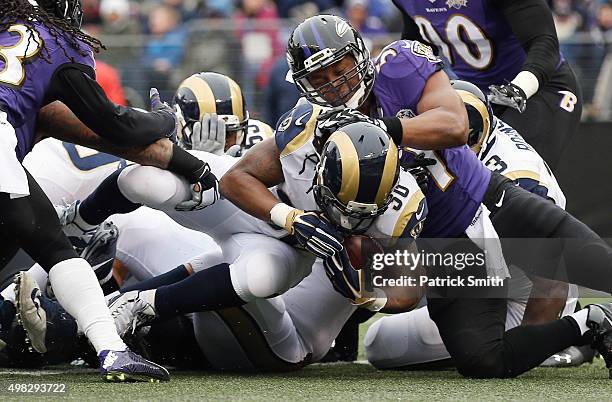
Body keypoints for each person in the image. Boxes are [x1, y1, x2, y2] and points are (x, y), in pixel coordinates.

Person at [222, 15, 612, 378]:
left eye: (340, 70)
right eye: (321, 78)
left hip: (487, 202)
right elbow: (237, 178)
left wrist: (380, 127)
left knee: (597, 264)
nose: (336, 84)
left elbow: (456, 124)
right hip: (449, 248)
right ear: (304, 84)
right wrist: (289, 218)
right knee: (483, 361)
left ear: (359, 55)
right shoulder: (307, 131)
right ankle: (592, 322)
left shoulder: (398, 65)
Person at [0, 0, 191, 381]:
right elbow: (116, 125)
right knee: (57, 250)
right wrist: (166, 118)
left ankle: (113, 350)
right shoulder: (58, 41)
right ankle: (112, 351)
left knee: (54, 248)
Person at [364, 81, 593, 371]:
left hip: (522, 297)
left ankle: (583, 328)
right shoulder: (451, 145)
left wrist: (532, 342)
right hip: (481, 276)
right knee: (379, 343)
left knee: (486, 356)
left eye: (458, 138)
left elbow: (554, 271)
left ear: (478, 132)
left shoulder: (517, 178)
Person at [393, 0, 582, 169]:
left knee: (519, 179)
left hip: (539, 90)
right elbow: (416, 54)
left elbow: (545, 43)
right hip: (479, 102)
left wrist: (518, 89)